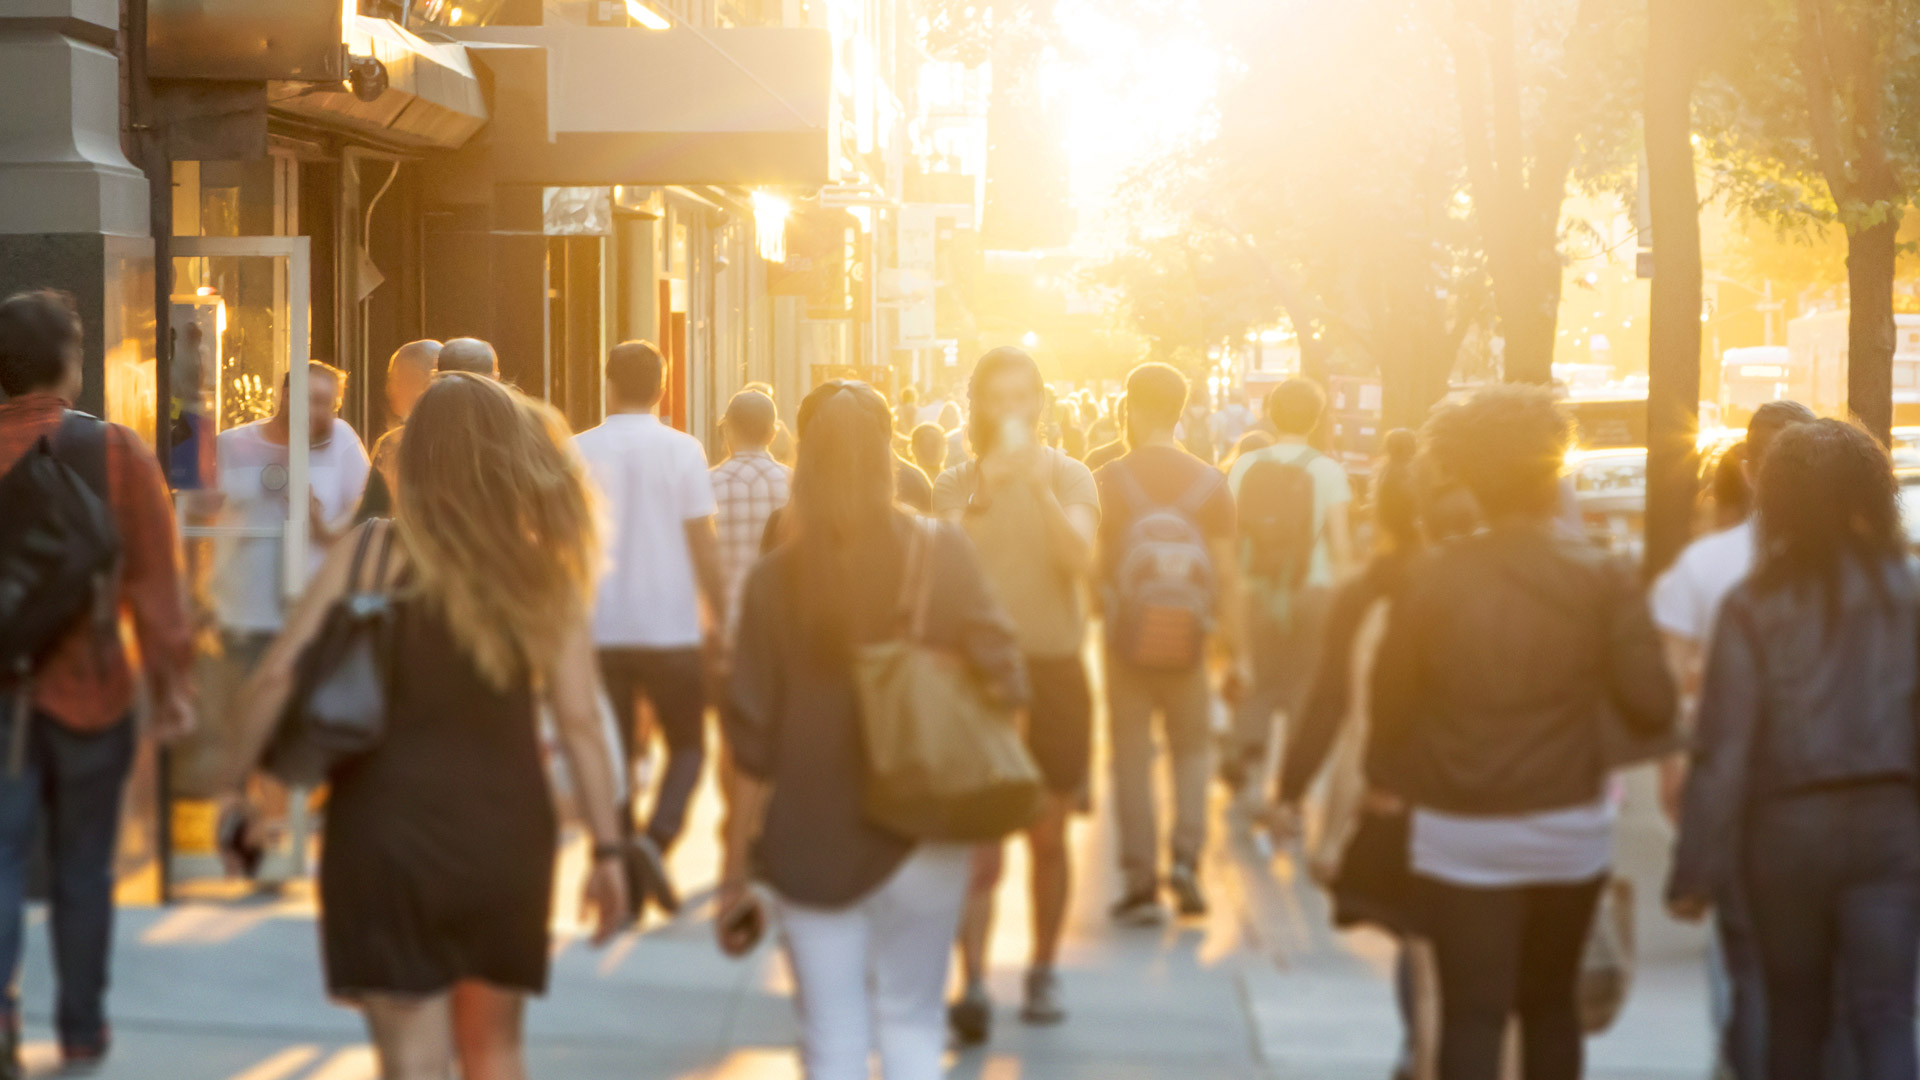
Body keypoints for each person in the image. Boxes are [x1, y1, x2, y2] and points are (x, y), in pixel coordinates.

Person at [228, 373, 627, 1080]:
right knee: (494, 1050)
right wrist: (608, 850)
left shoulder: (370, 552)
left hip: (383, 834)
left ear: (416, 459)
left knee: (410, 1061)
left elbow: (279, 673)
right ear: (504, 457)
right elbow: (581, 723)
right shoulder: (540, 569)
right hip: (504, 835)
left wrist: (243, 791)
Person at [1367, 385, 1677, 1080]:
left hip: (1457, 826)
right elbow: (1653, 704)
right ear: (1552, 474)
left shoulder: (1430, 579)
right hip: (1567, 821)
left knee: (1472, 1010)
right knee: (1550, 1007)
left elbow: (1389, 708)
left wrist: (1386, 779)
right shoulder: (1603, 578)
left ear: (1470, 480)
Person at [720, 380, 1026, 1080]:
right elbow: (1006, 678)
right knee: (913, 1020)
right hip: (929, 828)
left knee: (832, 1032)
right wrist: (988, 828)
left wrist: (736, 869)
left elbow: (751, 743)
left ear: (805, 460)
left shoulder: (774, 580)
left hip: (812, 839)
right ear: (888, 455)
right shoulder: (940, 552)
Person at [1669, 418, 1920, 1080]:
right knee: (1888, 1012)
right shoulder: (1912, 595)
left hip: (1785, 835)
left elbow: (1724, 752)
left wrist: (1696, 869)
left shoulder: (1753, 605)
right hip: (1892, 827)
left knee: (1794, 1016)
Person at [0, 290, 195, 1075]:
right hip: (93, 686)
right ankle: (81, 1029)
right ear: (72, 365)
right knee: (85, 866)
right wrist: (174, 683)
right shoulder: (116, 452)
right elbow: (156, 582)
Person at [1270, 430, 1477, 1080]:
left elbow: (1329, 699)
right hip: (1488, 784)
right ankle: (1442, 1048)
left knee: (1419, 934)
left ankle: (1422, 1048)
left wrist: (1290, 789)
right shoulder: (1485, 587)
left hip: (1398, 786)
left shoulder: (1366, 593)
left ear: (1380, 519)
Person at [932, 347, 1100, 1041]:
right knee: (975, 839)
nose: (1011, 412)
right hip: (978, 678)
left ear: (1040, 403)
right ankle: (971, 980)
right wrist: (991, 492)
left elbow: (1081, 559)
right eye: (997, 399)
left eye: (1022, 397)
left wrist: (1034, 489)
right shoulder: (954, 482)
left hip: (1055, 671)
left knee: (1050, 833)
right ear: (978, 406)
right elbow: (939, 569)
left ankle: (1042, 968)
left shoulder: (1072, 477)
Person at [1648, 400, 1813, 1080]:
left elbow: (1672, 686)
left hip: (1740, 790)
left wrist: (1674, 773)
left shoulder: (1706, 565)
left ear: (1748, 469)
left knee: (1742, 961)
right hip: (1846, 792)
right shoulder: (1869, 565)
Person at [574, 340, 726, 917]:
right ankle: (654, 841)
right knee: (687, 744)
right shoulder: (684, 451)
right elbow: (702, 544)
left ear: (606, 382)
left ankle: (620, 870)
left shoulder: (576, 451)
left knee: (610, 753)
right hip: (670, 626)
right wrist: (721, 612)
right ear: (662, 388)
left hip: (600, 624)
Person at [1095, 363, 1239, 923]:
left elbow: (1090, 564)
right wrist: (1234, 647)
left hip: (1125, 642)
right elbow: (1226, 576)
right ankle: (1186, 861)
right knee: (1192, 751)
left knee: (1130, 755)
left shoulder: (1107, 478)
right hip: (1190, 641)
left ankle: (1139, 880)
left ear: (1130, 408)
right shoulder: (1211, 484)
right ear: (1180, 411)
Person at [1222, 377, 1354, 792]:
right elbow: (1341, 545)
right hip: (1311, 591)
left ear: (1272, 415)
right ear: (1316, 419)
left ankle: (1246, 761)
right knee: (1301, 686)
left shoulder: (1244, 466)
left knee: (1259, 681)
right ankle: (1291, 786)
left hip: (1255, 589)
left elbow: (1228, 534)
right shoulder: (1327, 470)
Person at [710, 389, 791, 640]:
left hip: (722, 624)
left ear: (727, 430)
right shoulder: (795, 485)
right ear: (773, 433)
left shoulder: (706, 484)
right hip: (780, 624)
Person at [356, 339, 442, 520]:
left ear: (418, 381)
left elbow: (371, 515)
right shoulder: (476, 440)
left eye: (394, 379)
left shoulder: (393, 445)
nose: (389, 389)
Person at [1083, 395, 1127, 471]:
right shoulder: (1098, 424)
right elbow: (1088, 443)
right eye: (1110, 407)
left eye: (1113, 407)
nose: (1111, 410)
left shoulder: (1095, 456)